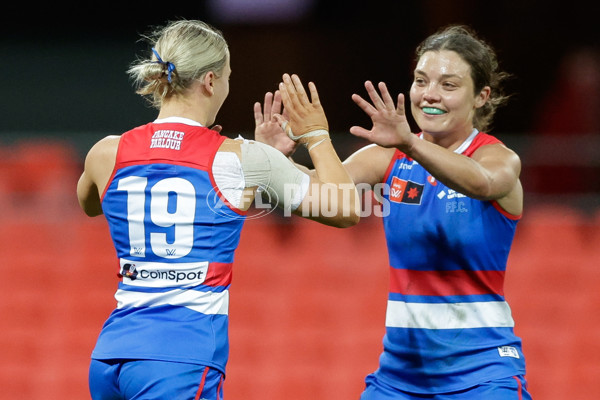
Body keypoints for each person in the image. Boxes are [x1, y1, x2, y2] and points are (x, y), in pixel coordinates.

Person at [76, 19, 359, 400]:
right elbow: (344, 208)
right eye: (227, 76)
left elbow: (91, 203)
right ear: (210, 81)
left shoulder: (106, 152)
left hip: (111, 359)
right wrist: (316, 135)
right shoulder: (242, 159)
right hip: (179, 361)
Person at [257, 25, 532, 399]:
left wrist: (410, 145)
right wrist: (275, 158)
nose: (430, 94)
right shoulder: (387, 157)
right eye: (421, 81)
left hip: (483, 374)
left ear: (481, 96)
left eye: (448, 85)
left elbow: (482, 183)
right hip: (399, 378)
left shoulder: (497, 158)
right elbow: (319, 192)